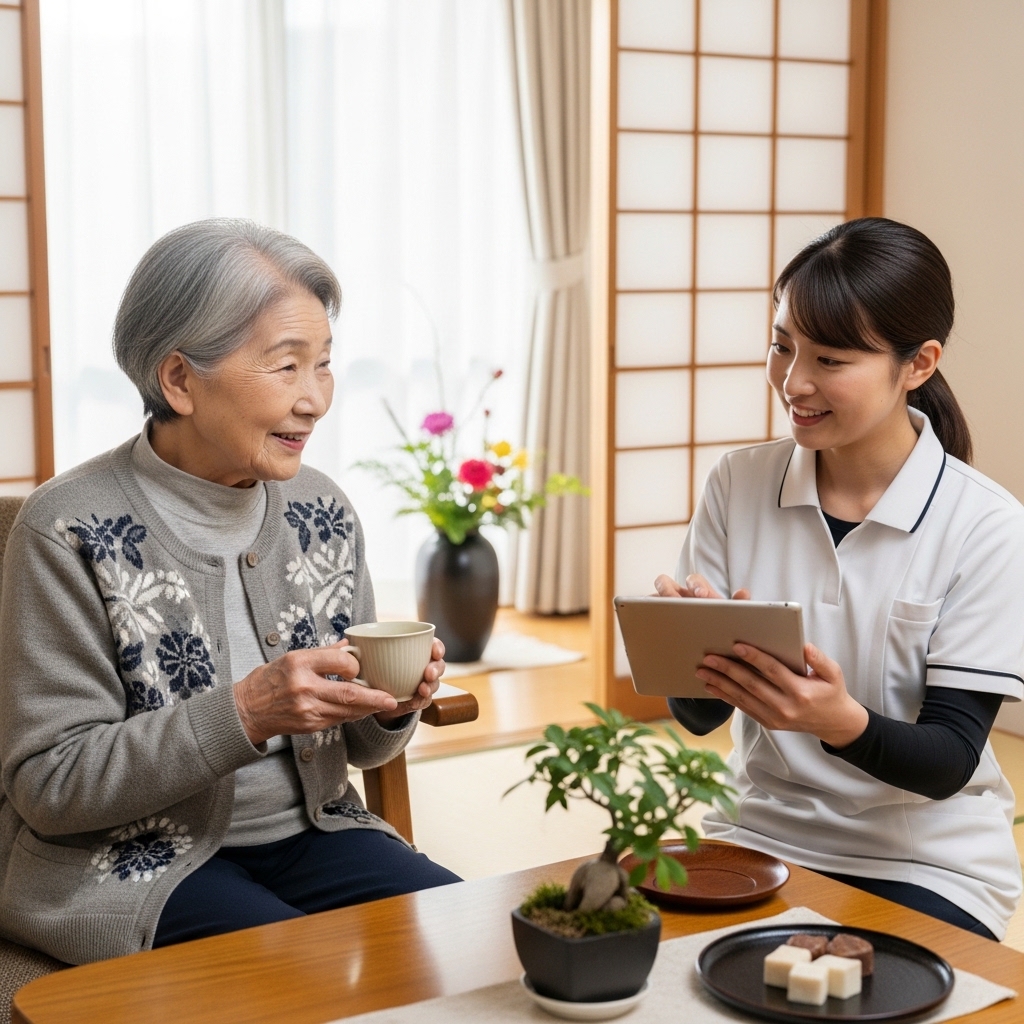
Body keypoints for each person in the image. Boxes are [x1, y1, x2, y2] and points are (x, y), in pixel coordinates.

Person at [0, 219, 460, 966]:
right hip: (129, 865)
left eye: (325, 365)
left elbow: (364, 750)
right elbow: (50, 783)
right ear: (179, 380)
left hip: (319, 834)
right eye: (286, 367)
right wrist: (245, 712)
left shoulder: (322, 510)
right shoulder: (68, 527)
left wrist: (393, 702)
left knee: (469, 943)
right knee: (299, 978)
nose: (315, 400)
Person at [658, 217, 1023, 941]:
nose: (794, 383)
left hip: (923, 863)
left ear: (917, 364)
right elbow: (699, 719)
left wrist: (836, 721)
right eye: (781, 345)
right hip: (754, 836)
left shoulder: (986, 526)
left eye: (829, 360)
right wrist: (690, 647)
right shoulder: (739, 481)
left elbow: (949, 759)